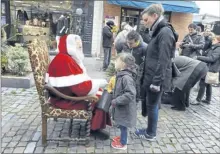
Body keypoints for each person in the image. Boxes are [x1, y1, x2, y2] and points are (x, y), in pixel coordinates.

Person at [46, 34, 111, 136]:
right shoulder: (64, 60)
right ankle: (95, 128)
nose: (80, 48)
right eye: (78, 47)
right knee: (100, 97)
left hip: (66, 95)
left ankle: (95, 124)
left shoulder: (67, 57)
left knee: (101, 93)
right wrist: (97, 83)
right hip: (65, 100)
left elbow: (77, 84)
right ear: (70, 46)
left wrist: (94, 83)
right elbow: (80, 89)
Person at [134, 4, 178, 140]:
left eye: (146, 20)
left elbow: (164, 60)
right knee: (152, 104)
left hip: (155, 78)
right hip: (152, 76)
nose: (144, 22)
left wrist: (156, 82)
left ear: (155, 16)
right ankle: (149, 130)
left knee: (152, 105)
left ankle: (150, 133)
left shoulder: (164, 32)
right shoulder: (158, 31)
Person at [111, 53, 137, 150]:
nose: (114, 62)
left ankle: (123, 143)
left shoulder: (126, 78)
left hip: (125, 108)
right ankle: (123, 138)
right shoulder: (122, 75)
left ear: (123, 64)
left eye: (116, 61)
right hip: (122, 107)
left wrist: (116, 101)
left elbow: (130, 94)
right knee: (121, 124)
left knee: (123, 125)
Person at [114, 30, 147, 101]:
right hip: (127, 70)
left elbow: (146, 63)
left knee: (136, 85)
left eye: (131, 43)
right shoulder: (124, 44)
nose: (129, 45)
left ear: (137, 41)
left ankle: (136, 99)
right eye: (128, 42)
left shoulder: (145, 48)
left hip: (138, 72)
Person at [191, 34, 220, 105]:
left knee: (202, 83)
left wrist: (199, 57)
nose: (212, 41)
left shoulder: (218, 49)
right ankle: (208, 99)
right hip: (210, 68)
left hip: (210, 68)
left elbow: (212, 59)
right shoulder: (214, 47)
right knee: (208, 84)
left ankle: (198, 100)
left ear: (218, 41)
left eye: (214, 40)